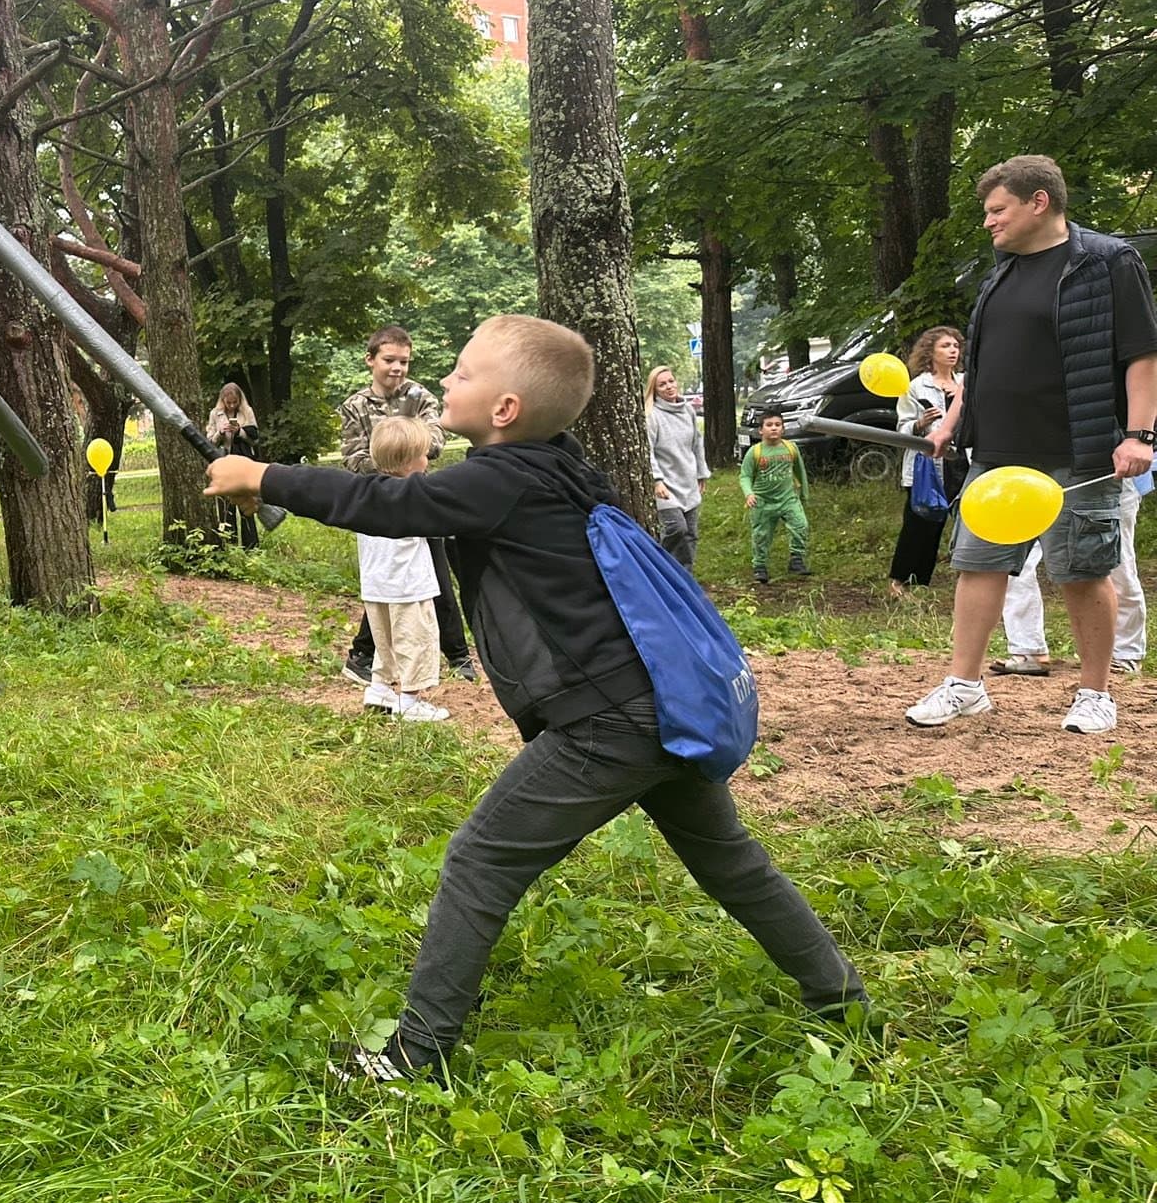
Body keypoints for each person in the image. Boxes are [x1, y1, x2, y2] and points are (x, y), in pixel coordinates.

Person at [203, 315, 866, 1085]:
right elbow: (411, 500)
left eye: (462, 373)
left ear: (505, 408)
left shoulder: (503, 480)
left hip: (606, 724)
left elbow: (388, 506)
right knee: (732, 863)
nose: (444, 380)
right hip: (654, 708)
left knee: (480, 859)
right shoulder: (555, 467)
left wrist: (265, 477)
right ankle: (843, 1000)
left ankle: (415, 1057)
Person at [909, 155, 1157, 735]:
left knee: (1083, 571)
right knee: (977, 565)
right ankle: (965, 686)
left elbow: (1142, 354)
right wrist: (951, 425)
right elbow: (979, 370)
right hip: (996, 454)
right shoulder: (1000, 273)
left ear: (1038, 202)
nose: (989, 222)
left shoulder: (1106, 262)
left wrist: (1140, 434)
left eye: (998, 210)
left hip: (1079, 452)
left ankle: (1095, 694)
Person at [338, 326, 479, 685]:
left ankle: (458, 654)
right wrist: (397, 459)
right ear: (370, 360)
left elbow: (435, 440)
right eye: (389, 360)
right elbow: (353, 458)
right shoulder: (355, 406)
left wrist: (394, 452)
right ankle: (363, 655)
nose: (397, 368)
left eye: (404, 361)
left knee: (436, 574)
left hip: (417, 498)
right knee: (384, 581)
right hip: (376, 502)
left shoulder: (420, 397)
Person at [996, 475, 1148, 678]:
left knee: (1117, 566)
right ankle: (1028, 650)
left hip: (1101, 475)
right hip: (1025, 475)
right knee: (1014, 564)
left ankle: (1126, 654)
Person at [355, 417, 450, 722]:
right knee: (416, 640)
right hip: (409, 586)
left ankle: (379, 688)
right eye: (423, 454)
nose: (427, 460)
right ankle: (409, 700)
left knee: (385, 641)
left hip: (376, 586)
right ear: (409, 462)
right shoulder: (414, 495)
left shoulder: (366, 493)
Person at [887, 326, 967, 597]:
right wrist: (920, 424)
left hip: (962, 463)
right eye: (945, 346)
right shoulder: (916, 386)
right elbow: (902, 429)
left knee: (966, 521)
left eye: (956, 346)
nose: (952, 351)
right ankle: (901, 582)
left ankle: (965, 577)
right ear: (930, 351)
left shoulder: (965, 383)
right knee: (920, 524)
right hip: (927, 466)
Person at [644, 365, 708, 569]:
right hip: (666, 486)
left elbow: (697, 443)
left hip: (687, 480)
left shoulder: (688, 410)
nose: (669, 386)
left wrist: (701, 473)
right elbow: (648, 450)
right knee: (676, 528)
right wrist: (657, 480)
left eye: (671, 381)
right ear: (655, 390)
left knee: (690, 534)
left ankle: (685, 576)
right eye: (662, 384)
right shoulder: (652, 415)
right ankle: (658, 566)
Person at [739, 410, 811, 584]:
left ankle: (796, 560)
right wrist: (749, 494)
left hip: (788, 499)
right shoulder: (754, 452)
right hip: (763, 502)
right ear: (760, 430)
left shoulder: (790, 448)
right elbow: (745, 476)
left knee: (800, 525)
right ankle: (760, 566)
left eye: (778, 425)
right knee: (761, 535)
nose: (774, 428)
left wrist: (804, 494)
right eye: (769, 425)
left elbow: (800, 471)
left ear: (783, 429)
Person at [205, 382, 261, 549]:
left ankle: (251, 546)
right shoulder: (215, 414)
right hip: (223, 462)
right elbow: (209, 441)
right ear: (222, 400)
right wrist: (220, 432)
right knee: (226, 506)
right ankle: (229, 544)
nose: (231, 405)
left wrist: (240, 431)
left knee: (246, 504)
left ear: (239, 400)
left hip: (243, 464)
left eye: (234, 402)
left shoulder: (247, 411)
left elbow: (255, 438)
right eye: (228, 402)